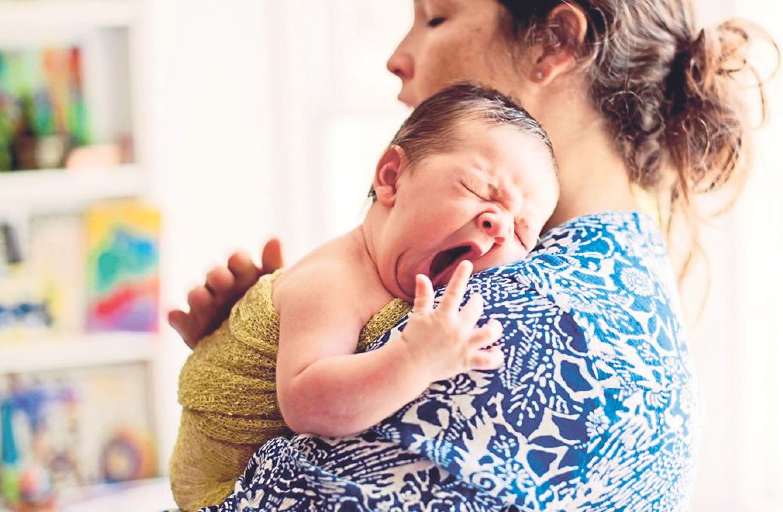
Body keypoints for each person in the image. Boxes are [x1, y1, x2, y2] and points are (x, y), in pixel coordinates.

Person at [169, 0, 772, 509]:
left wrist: (234, 379)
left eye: (436, 18)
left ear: (553, 44)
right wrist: (255, 346)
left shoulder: (532, 317)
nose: (396, 58)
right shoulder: (617, 279)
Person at [169, 84, 559, 511]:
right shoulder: (332, 282)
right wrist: (415, 359)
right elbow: (306, 402)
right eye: (481, 190)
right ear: (392, 177)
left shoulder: (411, 280)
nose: (499, 225)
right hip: (219, 490)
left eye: (523, 231)